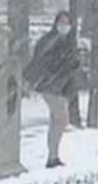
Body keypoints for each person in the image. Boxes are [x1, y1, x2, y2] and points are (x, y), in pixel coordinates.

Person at [23, 11, 81, 168]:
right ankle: (52, 155)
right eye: (61, 22)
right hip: (50, 85)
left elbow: (72, 64)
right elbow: (38, 61)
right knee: (61, 119)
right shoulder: (48, 41)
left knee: (56, 121)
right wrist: (29, 78)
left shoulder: (69, 42)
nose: (64, 26)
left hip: (61, 87)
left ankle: (52, 156)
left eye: (67, 23)